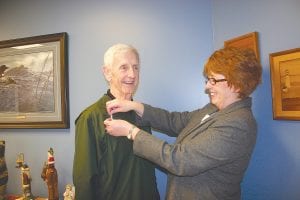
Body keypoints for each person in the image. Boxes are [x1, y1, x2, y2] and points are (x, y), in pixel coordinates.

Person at [104, 46, 262, 200]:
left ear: (236, 84)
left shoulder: (238, 124)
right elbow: (175, 121)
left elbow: (180, 160)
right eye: (208, 79)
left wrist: (132, 132)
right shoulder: (214, 108)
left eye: (213, 80)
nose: (207, 86)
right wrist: (135, 106)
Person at [73, 43, 160, 200]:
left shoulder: (142, 114)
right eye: (124, 67)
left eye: (135, 67)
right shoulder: (91, 118)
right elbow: (85, 181)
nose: (132, 74)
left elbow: (147, 170)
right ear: (107, 73)